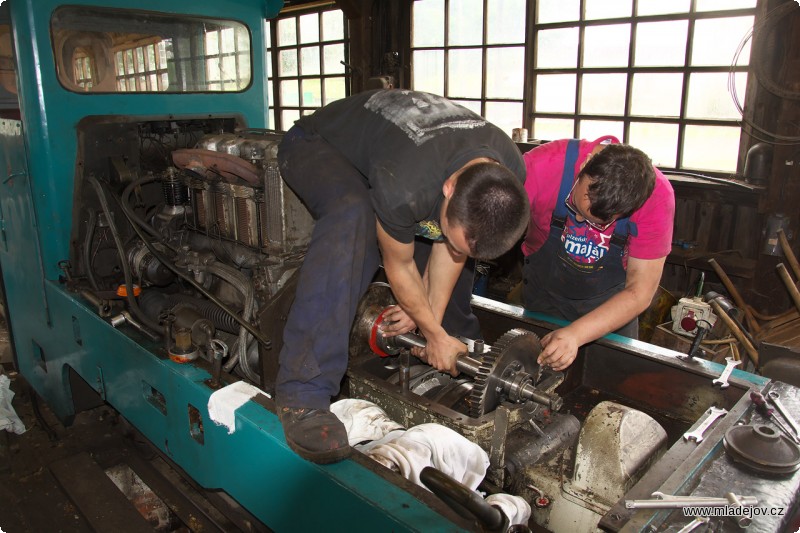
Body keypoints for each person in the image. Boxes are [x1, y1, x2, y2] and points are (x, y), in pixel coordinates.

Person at [276, 89, 529, 464]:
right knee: (353, 216)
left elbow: (453, 250)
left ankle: (457, 353)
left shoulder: (505, 175)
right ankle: (302, 392)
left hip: (399, 160)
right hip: (316, 145)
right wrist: (431, 331)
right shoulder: (407, 184)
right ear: (449, 189)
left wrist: (432, 322)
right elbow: (400, 265)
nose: (457, 248)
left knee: (448, 248)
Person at [521, 136, 675, 372]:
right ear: (584, 166)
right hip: (546, 292)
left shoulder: (657, 199)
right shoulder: (544, 165)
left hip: (611, 304)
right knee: (532, 369)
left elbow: (640, 291)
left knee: (610, 380)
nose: (579, 221)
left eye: (598, 223)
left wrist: (576, 334)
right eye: (576, 208)